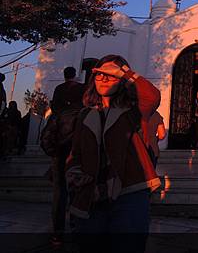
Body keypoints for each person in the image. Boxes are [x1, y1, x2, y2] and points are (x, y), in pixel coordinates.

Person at [66, 55, 161, 252]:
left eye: (111, 75)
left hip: (130, 192)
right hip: (92, 193)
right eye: (100, 74)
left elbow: (152, 96)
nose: (104, 79)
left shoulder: (133, 110)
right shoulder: (85, 115)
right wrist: (74, 173)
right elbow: (76, 153)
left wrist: (125, 72)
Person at [48, 67, 85, 243]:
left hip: (58, 151)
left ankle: (57, 231)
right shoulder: (81, 112)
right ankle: (75, 224)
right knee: (76, 188)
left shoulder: (58, 94)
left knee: (59, 190)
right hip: (75, 152)